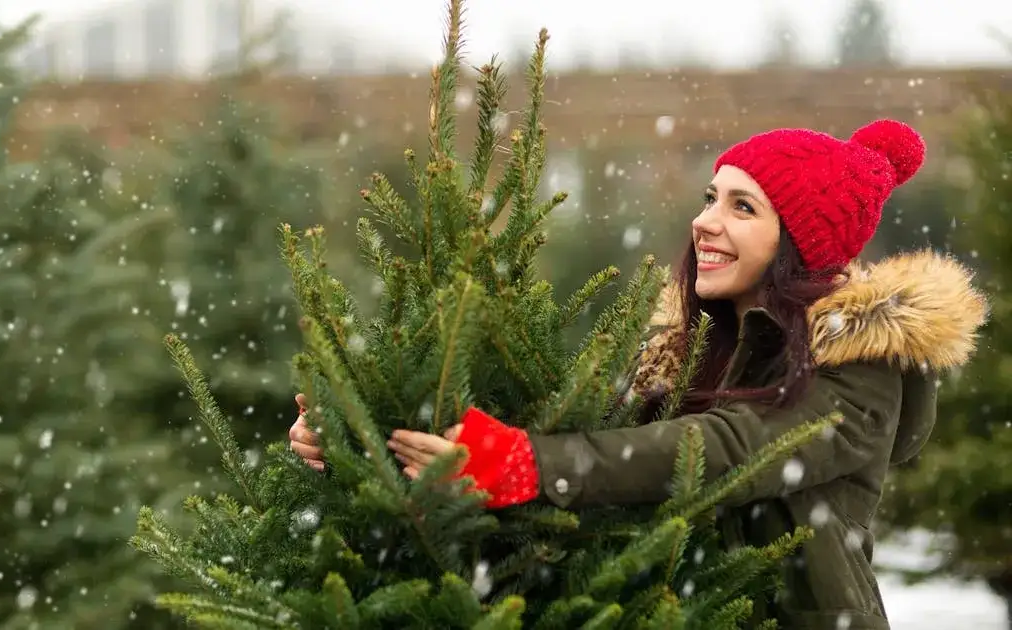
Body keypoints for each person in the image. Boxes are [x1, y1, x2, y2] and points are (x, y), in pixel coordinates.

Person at [287, 119, 988, 629]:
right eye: (712, 197)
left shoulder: (861, 368)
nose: (705, 222)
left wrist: (529, 464)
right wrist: (362, 434)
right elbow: (573, 428)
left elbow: (727, 449)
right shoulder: (678, 348)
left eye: (742, 208)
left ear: (801, 242)